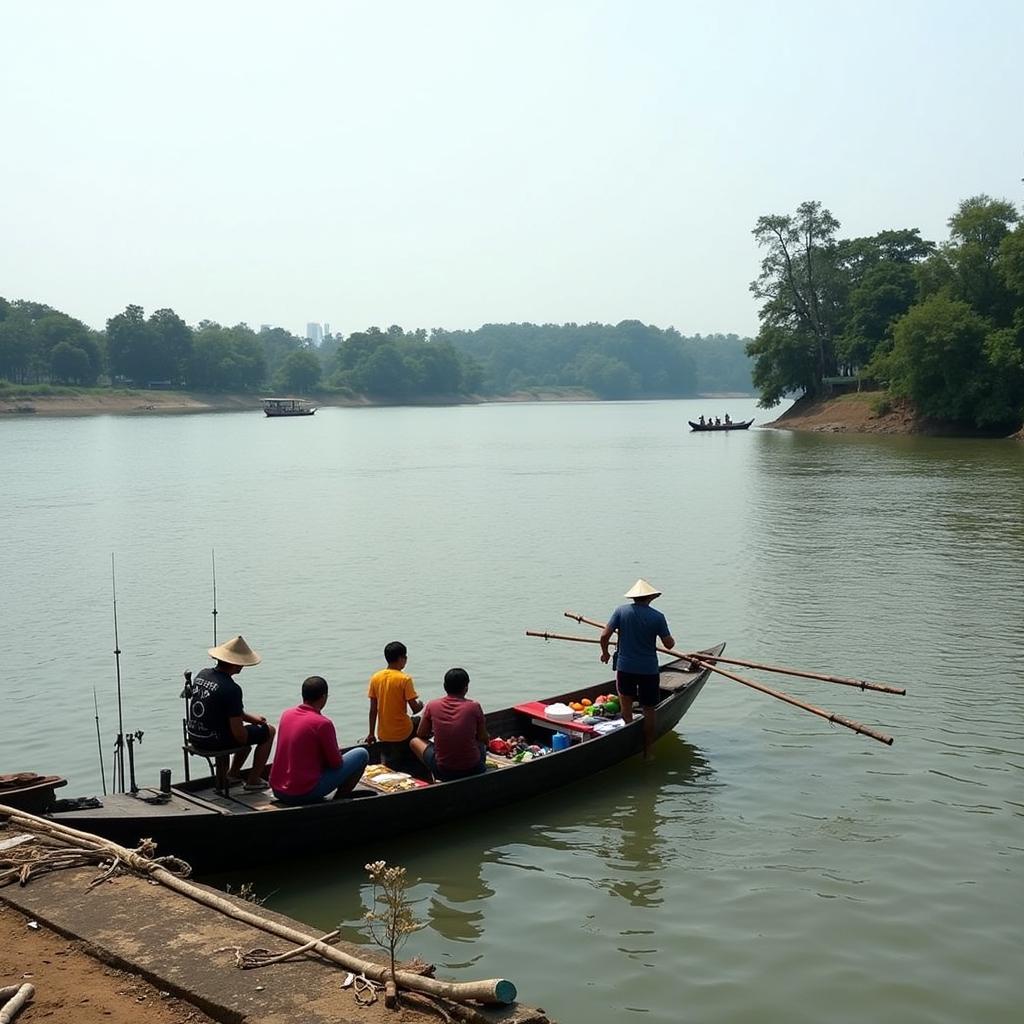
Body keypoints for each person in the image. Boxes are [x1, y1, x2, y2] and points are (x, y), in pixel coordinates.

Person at [186, 635, 275, 790]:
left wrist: (251, 719)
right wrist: (257, 732)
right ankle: (253, 780)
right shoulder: (231, 689)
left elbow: (224, 709)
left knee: (248, 737)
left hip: (195, 736)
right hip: (212, 740)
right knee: (269, 731)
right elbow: (240, 735)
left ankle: (232, 775)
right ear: (235, 664)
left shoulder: (203, 674)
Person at [599, 580, 675, 761]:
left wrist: (605, 653)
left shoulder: (621, 611)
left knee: (626, 707)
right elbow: (669, 645)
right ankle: (648, 752)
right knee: (649, 710)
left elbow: (604, 636)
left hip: (625, 668)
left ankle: (627, 743)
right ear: (650, 598)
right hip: (648, 670)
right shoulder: (658, 617)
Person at [269, 676, 368, 804]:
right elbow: (336, 763)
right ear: (324, 697)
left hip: (278, 790)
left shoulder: (286, 714)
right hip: (302, 793)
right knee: (361, 754)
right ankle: (339, 801)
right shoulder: (323, 723)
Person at [410, 667, 488, 781]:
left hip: (443, 771)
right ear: (466, 688)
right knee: (481, 743)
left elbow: (421, 733)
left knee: (414, 741)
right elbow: (484, 738)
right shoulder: (474, 706)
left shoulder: (432, 705)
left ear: (445, 687)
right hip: (474, 768)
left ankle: (429, 776)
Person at [365, 641, 423, 769]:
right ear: (402, 659)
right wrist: (421, 704)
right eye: (405, 657)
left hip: (383, 733)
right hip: (403, 731)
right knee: (420, 721)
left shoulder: (376, 677)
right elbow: (415, 709)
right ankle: (421, 762)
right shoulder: (404, 679)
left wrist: (371, 733)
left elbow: (373, 710)